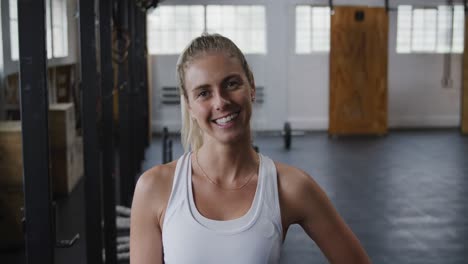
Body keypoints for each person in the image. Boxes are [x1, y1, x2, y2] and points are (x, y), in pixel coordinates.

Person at [130, 33, 371, 264]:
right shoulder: (155, 188)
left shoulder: (290, 187)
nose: (220, 102)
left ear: (251, 87)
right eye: (204, 93)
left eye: (231, 84)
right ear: (190, 106)